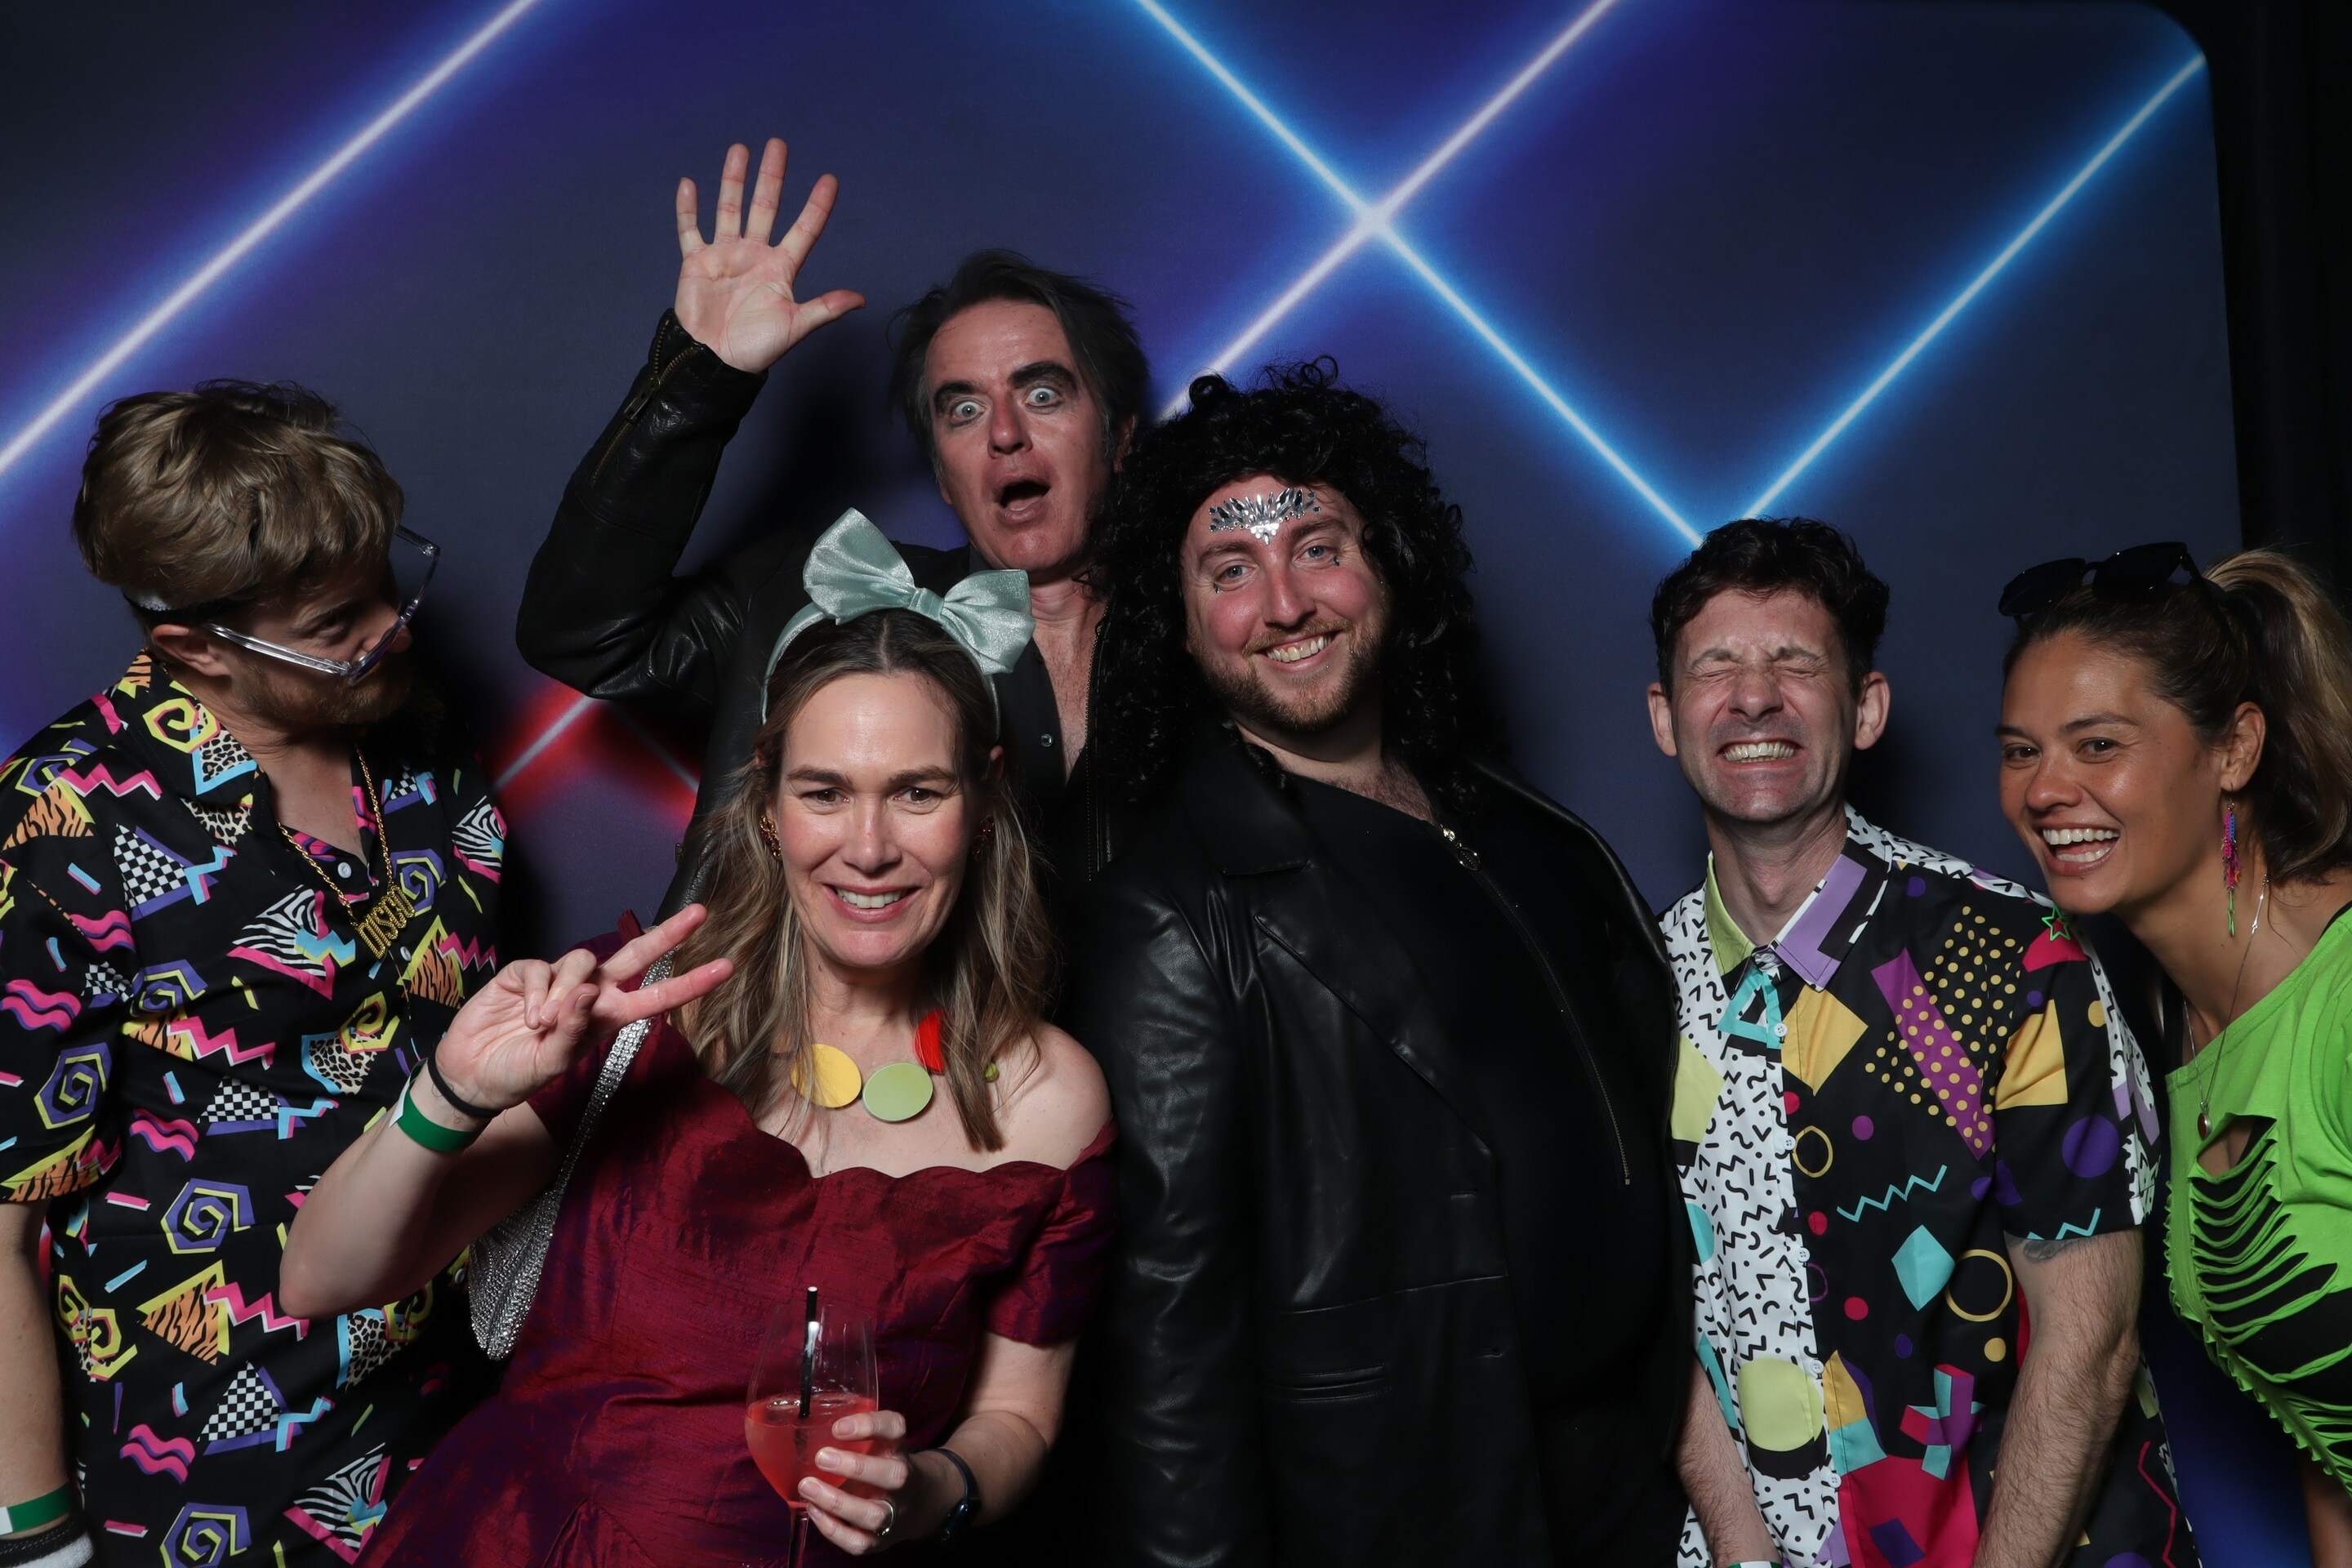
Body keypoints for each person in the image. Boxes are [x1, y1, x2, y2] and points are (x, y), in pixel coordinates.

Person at [280, 516, 1116, 1564]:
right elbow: (320, 1279)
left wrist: (931, 1490)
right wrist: (451, 1094)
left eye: (917, 792)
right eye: (824, 793)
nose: (868, 849)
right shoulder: (638, 1011)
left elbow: (1020, 1416)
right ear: (767, 805)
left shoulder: (1050, 1098)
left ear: (983, 803)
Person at [1069, 365, 1690, 1566]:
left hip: (1629, 1479)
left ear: (1388, 566)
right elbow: (1168, 1345)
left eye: (1318, 548)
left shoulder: (1516, 820)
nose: (1286, 602)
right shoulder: (1171, 913)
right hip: (1412, 1519)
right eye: (1229, 571)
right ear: (1179, 622)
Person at [0, 383, 503, 1566]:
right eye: (336, 622)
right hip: (213, 1467)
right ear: (193, 648)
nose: (393, 629)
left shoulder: (418, 734)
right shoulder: (65, 821)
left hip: (459, 1410)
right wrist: (39, 1542)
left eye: (388, 584)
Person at [1651, 519, 2191, 1568]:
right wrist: (1741, 1549)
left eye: (1795, 663)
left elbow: (2091, 1342)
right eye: (1716, 666)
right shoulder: (1631, 985)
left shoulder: (2017, 959)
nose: (1754, 697)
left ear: (1866, 708)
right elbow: (1650, 1316)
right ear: (1666, 719)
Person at [517, 138, 1150, 915]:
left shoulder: (1230, 631)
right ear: (943, 476)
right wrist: (699, 381)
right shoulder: (820, 598)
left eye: (1043, 394)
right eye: (963, 409)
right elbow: (581, 632)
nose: (1006, 433)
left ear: (1120, 439)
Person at [1995, 542, 2352, 1565]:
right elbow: (2325, 1428)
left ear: (2234, 750)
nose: (2046, 789)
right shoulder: (2186, 1033)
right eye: (2020, 751)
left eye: (2097, 744)